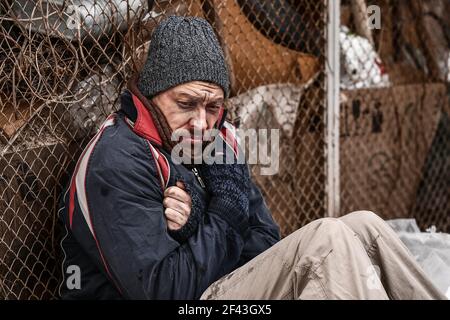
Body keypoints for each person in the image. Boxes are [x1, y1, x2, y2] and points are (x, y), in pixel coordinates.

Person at [58, 15, 445, 300]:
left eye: (213, 106)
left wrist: (200, 221)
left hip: (221, 289)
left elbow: (264, 243)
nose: (201, 122)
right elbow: (164, 291)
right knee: (326, 240)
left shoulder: (215, 146)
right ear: (152, 94)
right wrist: (224, 214)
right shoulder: (118, 159)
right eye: (186, 103)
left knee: (364, 227)